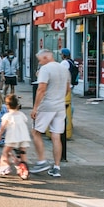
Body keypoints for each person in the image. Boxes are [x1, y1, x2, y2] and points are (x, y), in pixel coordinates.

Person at [31, 49, 70, 178]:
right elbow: (67, 89)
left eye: (40, 59)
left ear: (47, 57)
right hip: (60, 106)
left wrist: (35, 107)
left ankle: (42, 161)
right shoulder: (64, 69)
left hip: (47, 105)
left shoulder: (45, 69)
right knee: (56, 136)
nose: (40, 62)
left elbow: (41, 89)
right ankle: (57, 167)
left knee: (36, 132)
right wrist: (59, 98)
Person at [0, 94, 32, 180]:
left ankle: (4, 167)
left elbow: (2, 127)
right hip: (23, 137)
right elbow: (25, 122)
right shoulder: (22, 114)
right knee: (22, 153)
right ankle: (24, 168)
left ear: (7, 106)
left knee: (5, 152)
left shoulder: (7, 116)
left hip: (13, 137)